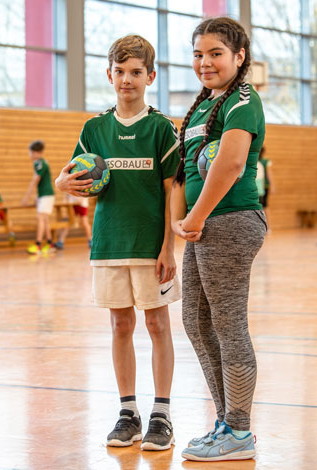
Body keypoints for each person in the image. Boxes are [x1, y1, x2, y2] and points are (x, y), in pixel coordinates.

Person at [55, 34, 180, 451]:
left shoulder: (162, 128)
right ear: (109, 75)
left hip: (150, 246)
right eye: (120, 72)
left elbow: (172, 191)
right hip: (108, 244)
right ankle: (128, 412)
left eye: (136, 72)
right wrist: (62, 182)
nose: (127, 79)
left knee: (157, 324)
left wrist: (169, 247)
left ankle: (161, 413)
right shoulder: (94, 128)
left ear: (151, 76)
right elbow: (69, 175)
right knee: (120, 325)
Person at [169, 17, 266, 462]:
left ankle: (239, 431)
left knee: (227, 324)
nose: (205, 62)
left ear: (239, 57)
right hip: (204, 223)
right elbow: (185, 171)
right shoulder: (204, 106)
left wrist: (196, 216)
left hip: (228, 220)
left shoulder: (243, 99)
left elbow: (229, 166)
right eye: (198, 54)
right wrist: (183, 220)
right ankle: (226, 421)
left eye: (215, 54)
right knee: (196, 320)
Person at [21, 140, 56, 254]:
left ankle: (38, 244)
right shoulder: (40, 163)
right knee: (45, 219)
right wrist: (37, 196)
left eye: (30, 152)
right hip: (44, 195)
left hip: (47, 195)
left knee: (40, 218)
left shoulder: (40, 163)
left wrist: (26, 197)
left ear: (36, 152)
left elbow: (35, 180)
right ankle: (50, 244)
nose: (29, 155)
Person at [256, 146, 274, 229]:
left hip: (262, 187)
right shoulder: (261, 162)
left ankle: (267, 226)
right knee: (264, 207)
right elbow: (269, 174)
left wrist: (272, 186)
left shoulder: (262, 162)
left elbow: (269, 174)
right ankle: (267, 226)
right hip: (262, 187)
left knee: (264, 207)